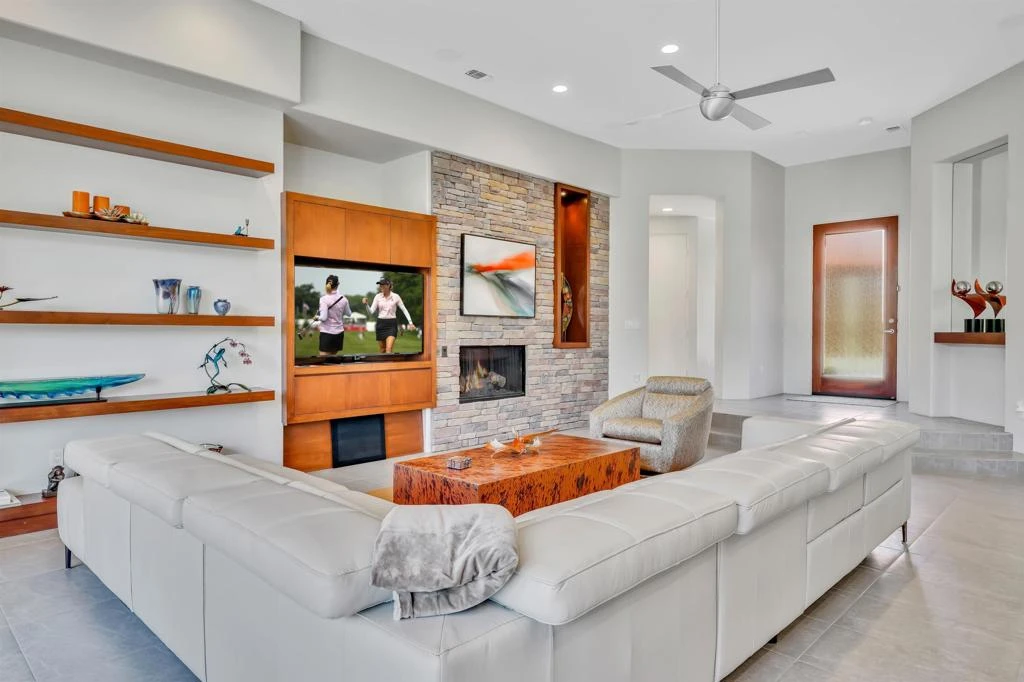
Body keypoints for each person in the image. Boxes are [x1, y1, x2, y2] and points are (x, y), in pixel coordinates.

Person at [363, 277, 415, 353]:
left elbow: (404, 310)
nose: (381, 286)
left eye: (383, 285)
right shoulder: (377, 296)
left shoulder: (396, 296)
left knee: (389, 349)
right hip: (380, 324)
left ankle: (389, 360)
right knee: (382, 350)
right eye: (380, 285)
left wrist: (410, 322)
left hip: (391, 324)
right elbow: (371, 312)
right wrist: (366, 305)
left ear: (388, 285)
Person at [314, 274, 351, 356]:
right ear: (338, 284)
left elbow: (323, 318)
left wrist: (317, 317)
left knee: (324, 361)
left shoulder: (323, 299)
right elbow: (349, 314)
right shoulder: (344, 299)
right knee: (332, 360)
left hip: (327, 333)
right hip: (339, 334)